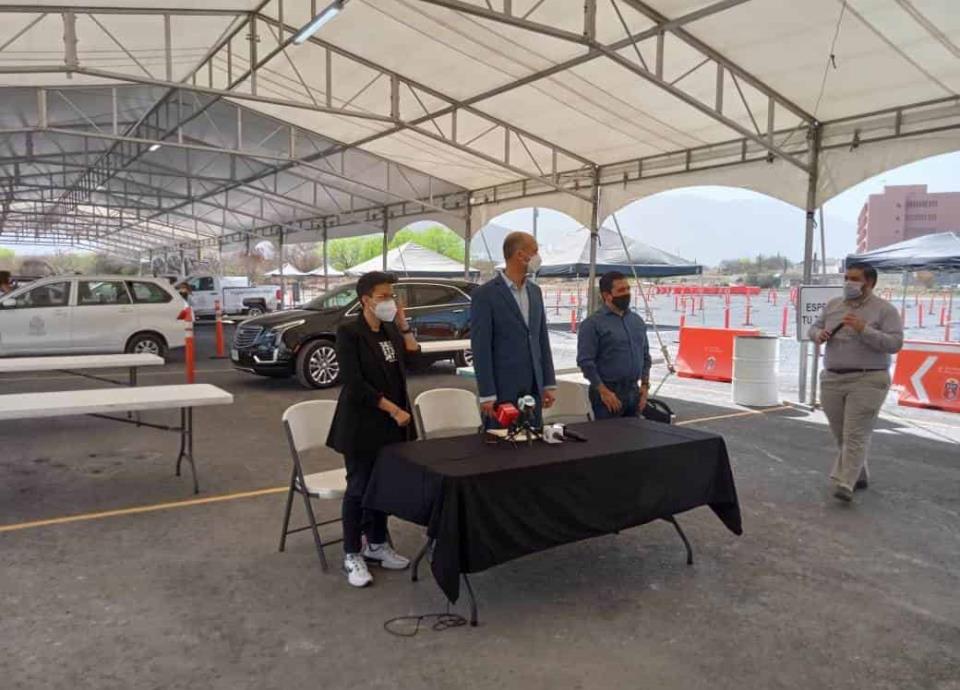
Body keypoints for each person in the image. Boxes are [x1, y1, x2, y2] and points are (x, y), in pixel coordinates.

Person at [326, 271, 419, 587]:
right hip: (362, 426)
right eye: (383, 296)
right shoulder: (349, 332)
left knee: (383, 486)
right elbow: (354, 384)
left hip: (392, 427)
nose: (390, 301)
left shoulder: (390, 331)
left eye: (392, 296)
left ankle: (377, 543)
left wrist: (403, 326)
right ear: (365, 299)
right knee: (359, 488)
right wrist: (393, 409)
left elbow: (414, 359)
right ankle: (352, 553)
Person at [809, 263, 903, 502]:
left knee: (855, 433)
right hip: (832, 378)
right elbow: (815, 327)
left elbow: (895, 344)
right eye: (846, 278)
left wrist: (864, 329)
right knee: (841, 432)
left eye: (854, 279)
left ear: (869, 282)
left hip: (868, 379)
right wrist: (818, 335)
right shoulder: (833, 305)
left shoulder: (885, 310)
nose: (848, 283)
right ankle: (858, 473)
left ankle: (845, 482)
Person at [470, 231, 556, 424]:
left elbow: (541, 339)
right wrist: (487, 393)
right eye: (534, 251)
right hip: (502, 388)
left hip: (533, 386)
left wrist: (548, 382)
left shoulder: (535, 292)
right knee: (502, 439)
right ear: (520, 255)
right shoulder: (485, 295)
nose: (538, 257)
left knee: (533, 438)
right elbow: (481, 348)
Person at [577, 271, 652, 420]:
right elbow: (585, 362)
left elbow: (645, 356)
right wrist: (603, 391)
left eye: (628, 289)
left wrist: (644, 386)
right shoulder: (592, 324)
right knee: (610, 434)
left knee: (635, 433)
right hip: (608, 394)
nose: (627, 293)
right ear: (607, 295)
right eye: (621, 290)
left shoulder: (637, 321)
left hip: (634, 391)